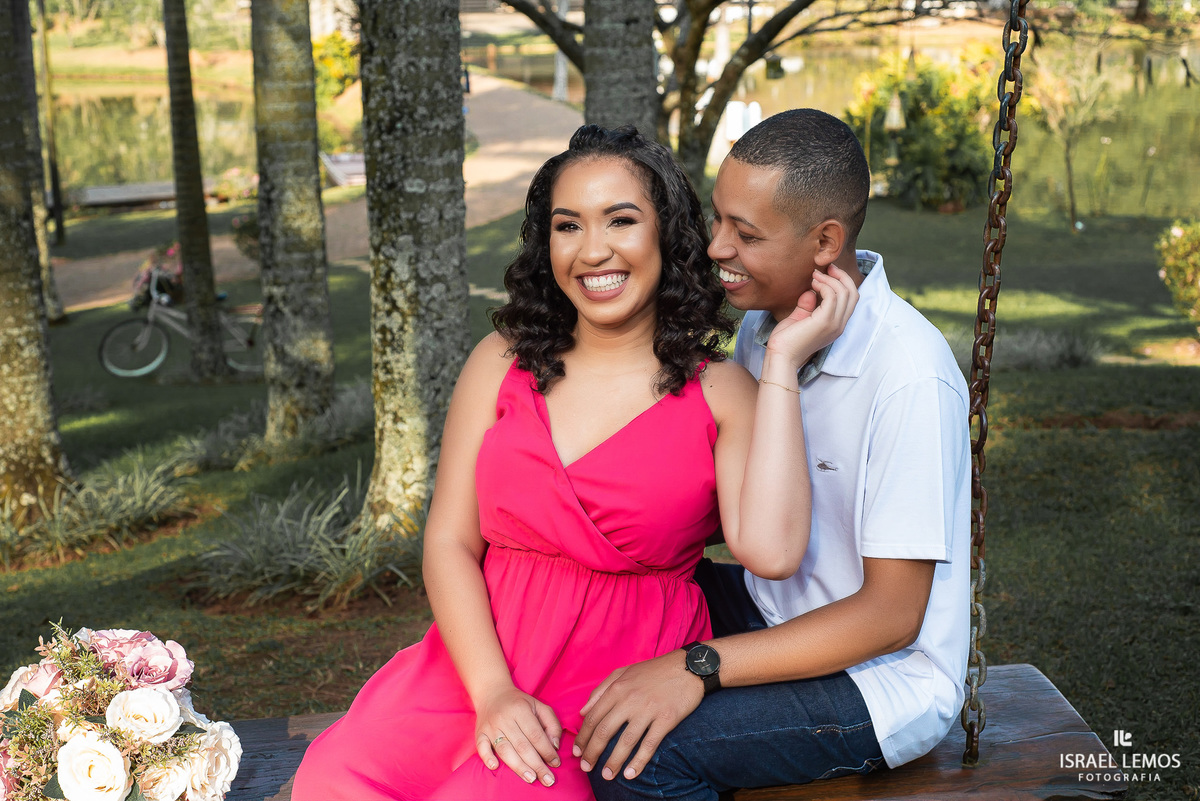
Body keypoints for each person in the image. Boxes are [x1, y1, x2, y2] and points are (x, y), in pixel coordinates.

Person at [291, 124, 858, 801]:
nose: (593, 251)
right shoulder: (499, 362)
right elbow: (448, 541)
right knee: (331, 780)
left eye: (621, 220)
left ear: (666, 235)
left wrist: (785, 365)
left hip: (604, 690)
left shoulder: (722, 392)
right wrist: (493, 689)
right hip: (474, 666)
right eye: (568, 225)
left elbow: (770, 550)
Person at [574, 108, 972, 800]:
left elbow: (891, 615)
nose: (717, 246)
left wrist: (697, 665)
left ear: (825, 240)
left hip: (877, 680)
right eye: (719, 218)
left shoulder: (909, 374)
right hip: (775, 609)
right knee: (612, 593)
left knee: (641, 757)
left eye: (746, 233)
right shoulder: (765, 326)